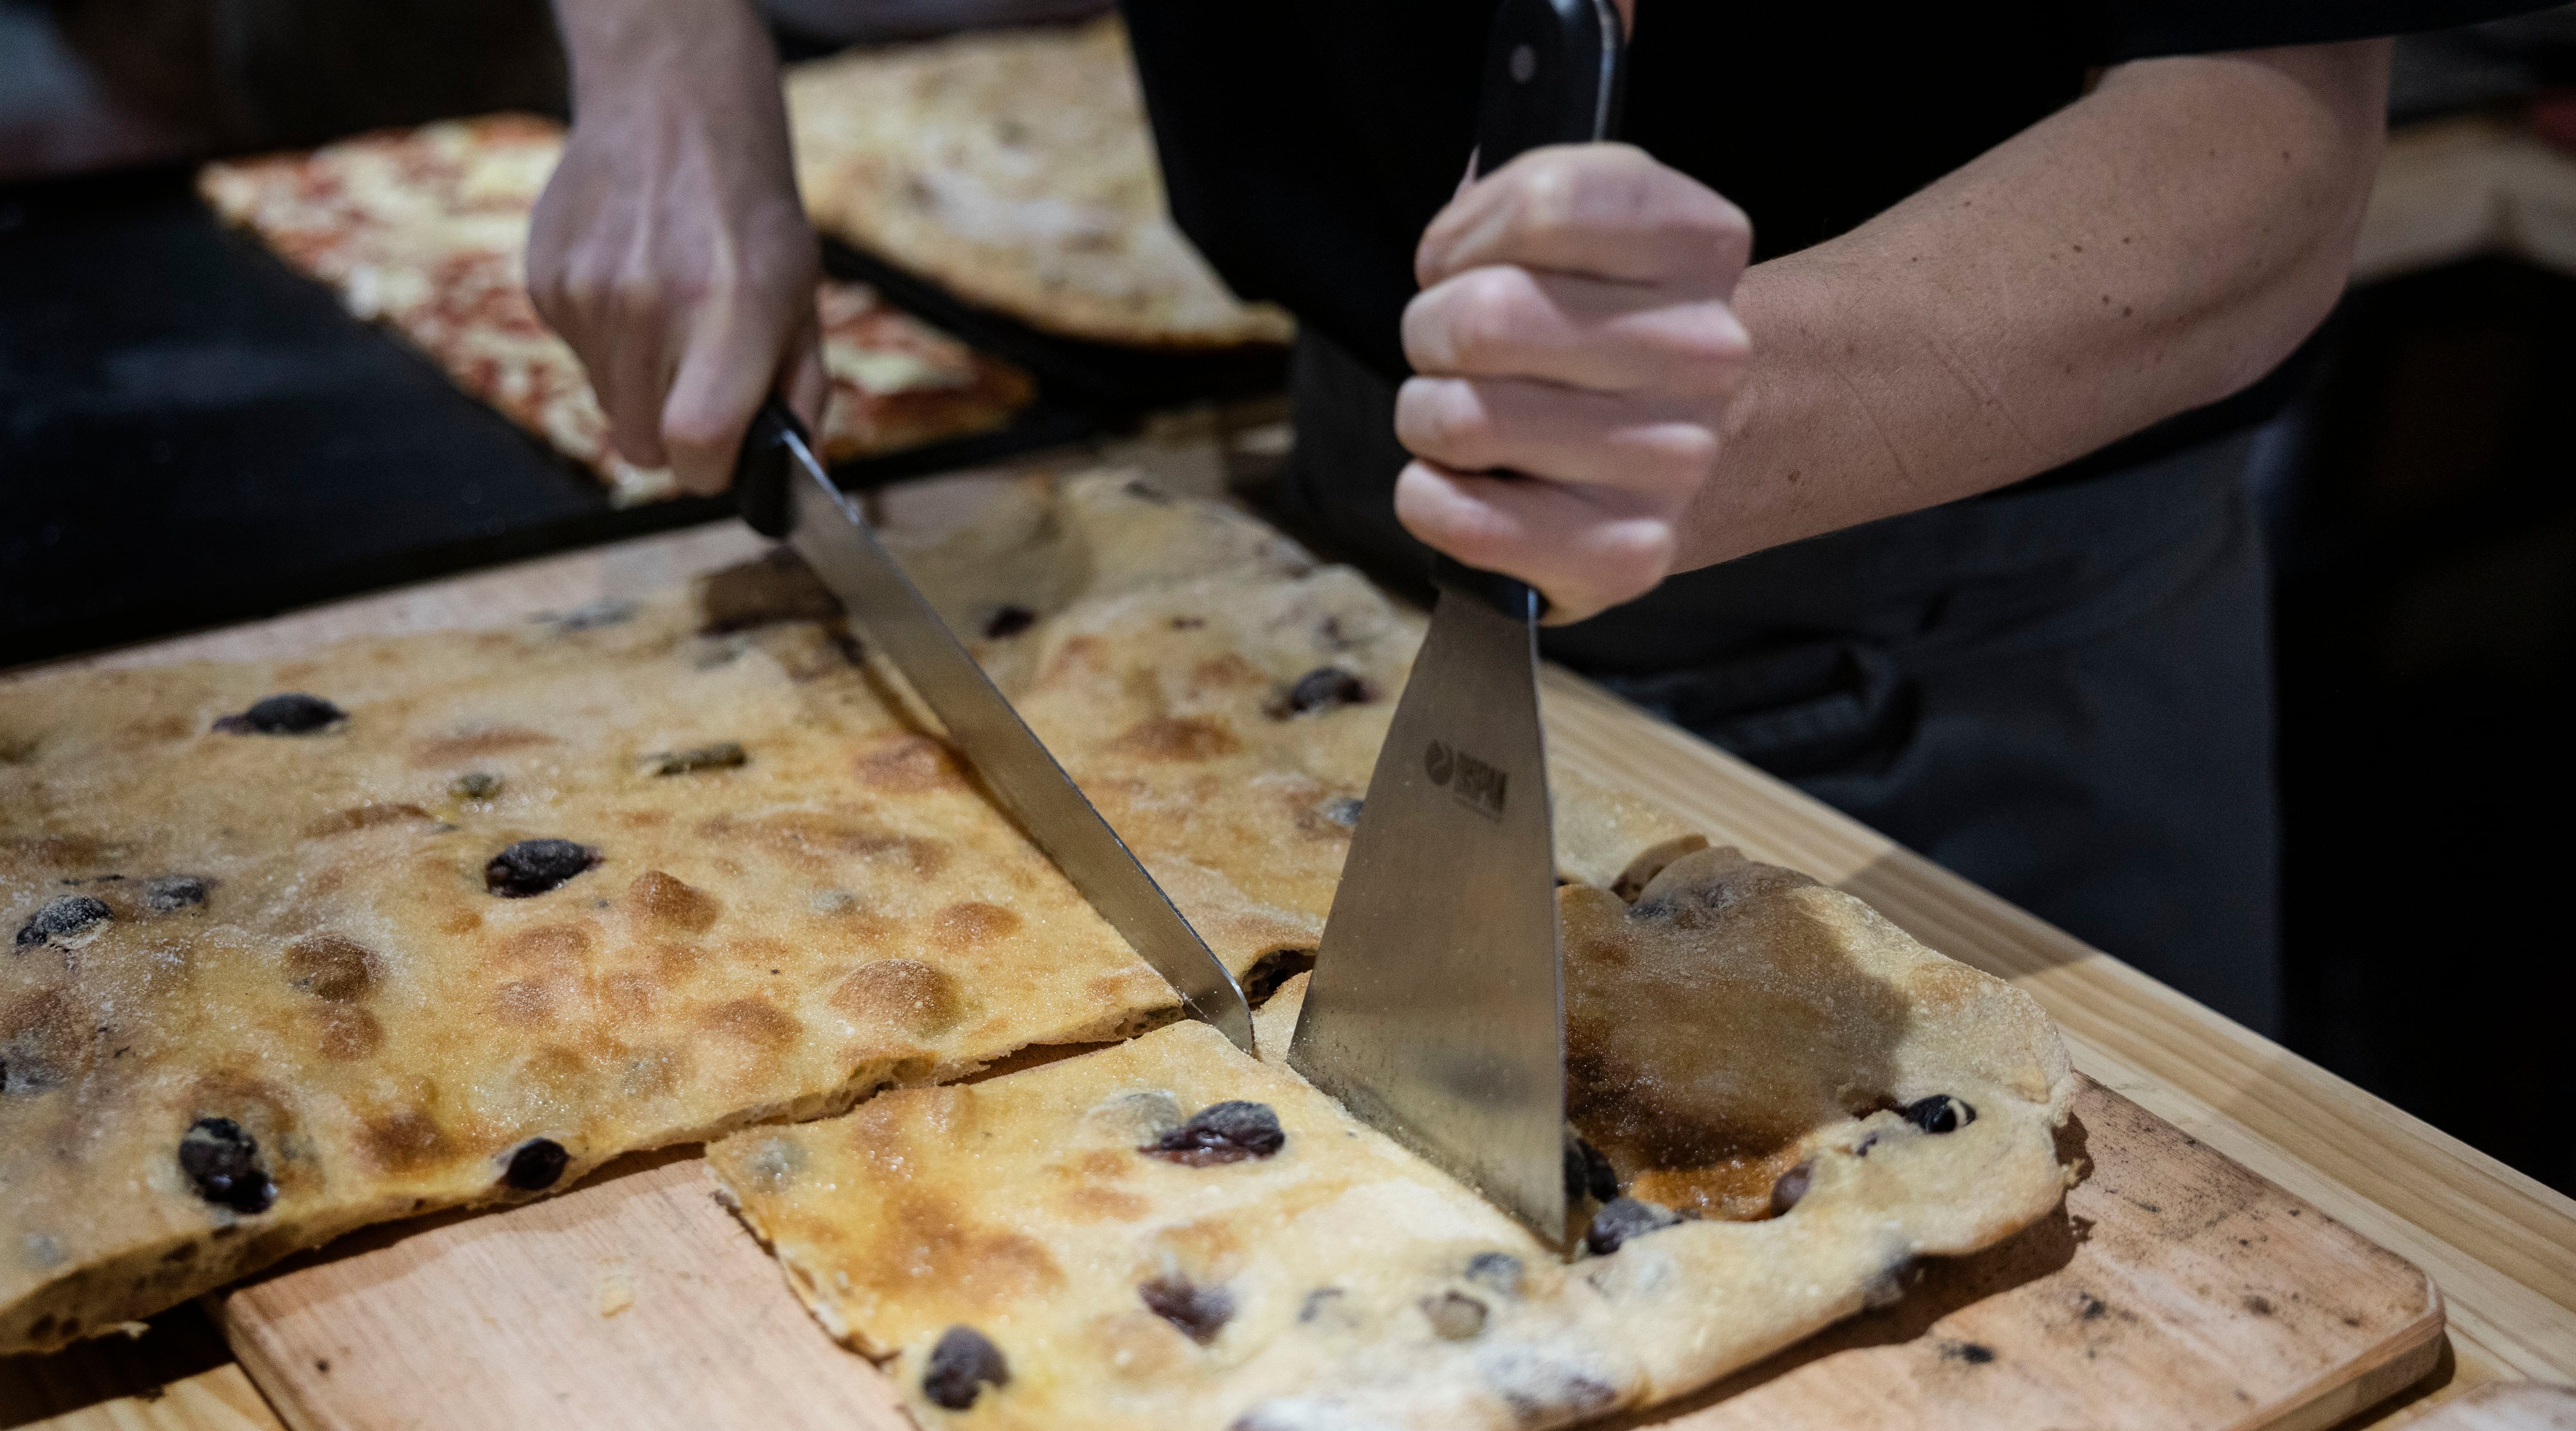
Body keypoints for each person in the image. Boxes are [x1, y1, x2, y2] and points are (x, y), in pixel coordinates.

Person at [527, 0, 2535, 1034]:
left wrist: (1745, 396)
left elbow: (2260, 139)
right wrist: (662, 68)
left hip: (1961, 630)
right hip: (1317, 526)